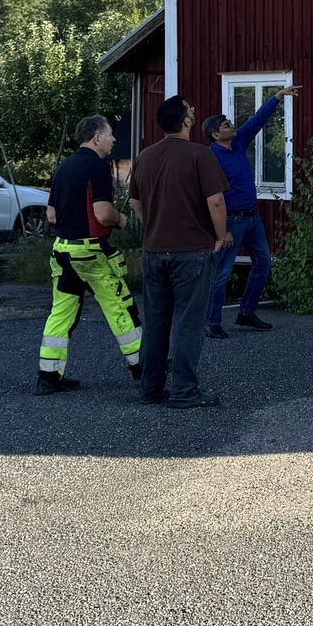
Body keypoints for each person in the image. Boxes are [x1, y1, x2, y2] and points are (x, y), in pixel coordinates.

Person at [129, 95, 232, 409]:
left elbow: (135, 203)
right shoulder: (199, 155)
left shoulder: (144, 157)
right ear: (186, 122)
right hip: (191, 251)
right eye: (191, 111)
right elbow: (215, 201)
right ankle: (184, 391)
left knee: (156, 322)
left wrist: (157, 223)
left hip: (153, 251)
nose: (193, 113)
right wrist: (219, 236)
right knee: (188, 323)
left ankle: (150, 389)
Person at [35, 115, 141, 396]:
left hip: (62, 251)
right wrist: (120, 219)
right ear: (96, 138)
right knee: (120, 307)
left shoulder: (62, 168)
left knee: (61, 313)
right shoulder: (96, 167)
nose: (114, 140)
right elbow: (102, 212)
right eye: (109, 135)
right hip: (91, 252)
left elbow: (51, 215)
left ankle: (48, 377)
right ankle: (144, 371)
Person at [201, 85, 300, 337]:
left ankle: (246, 312)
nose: (231, 125)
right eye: (226, 125)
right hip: (231, 220)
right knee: (222, 273)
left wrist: (275, 98)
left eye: (230, 122)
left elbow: (257, 121)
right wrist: (222, 231)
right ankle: (212, 322)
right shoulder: (210, 158)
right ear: (214, 134)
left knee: (263, 263)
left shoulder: (238, 143)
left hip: (251, 216)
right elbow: (211, 197)